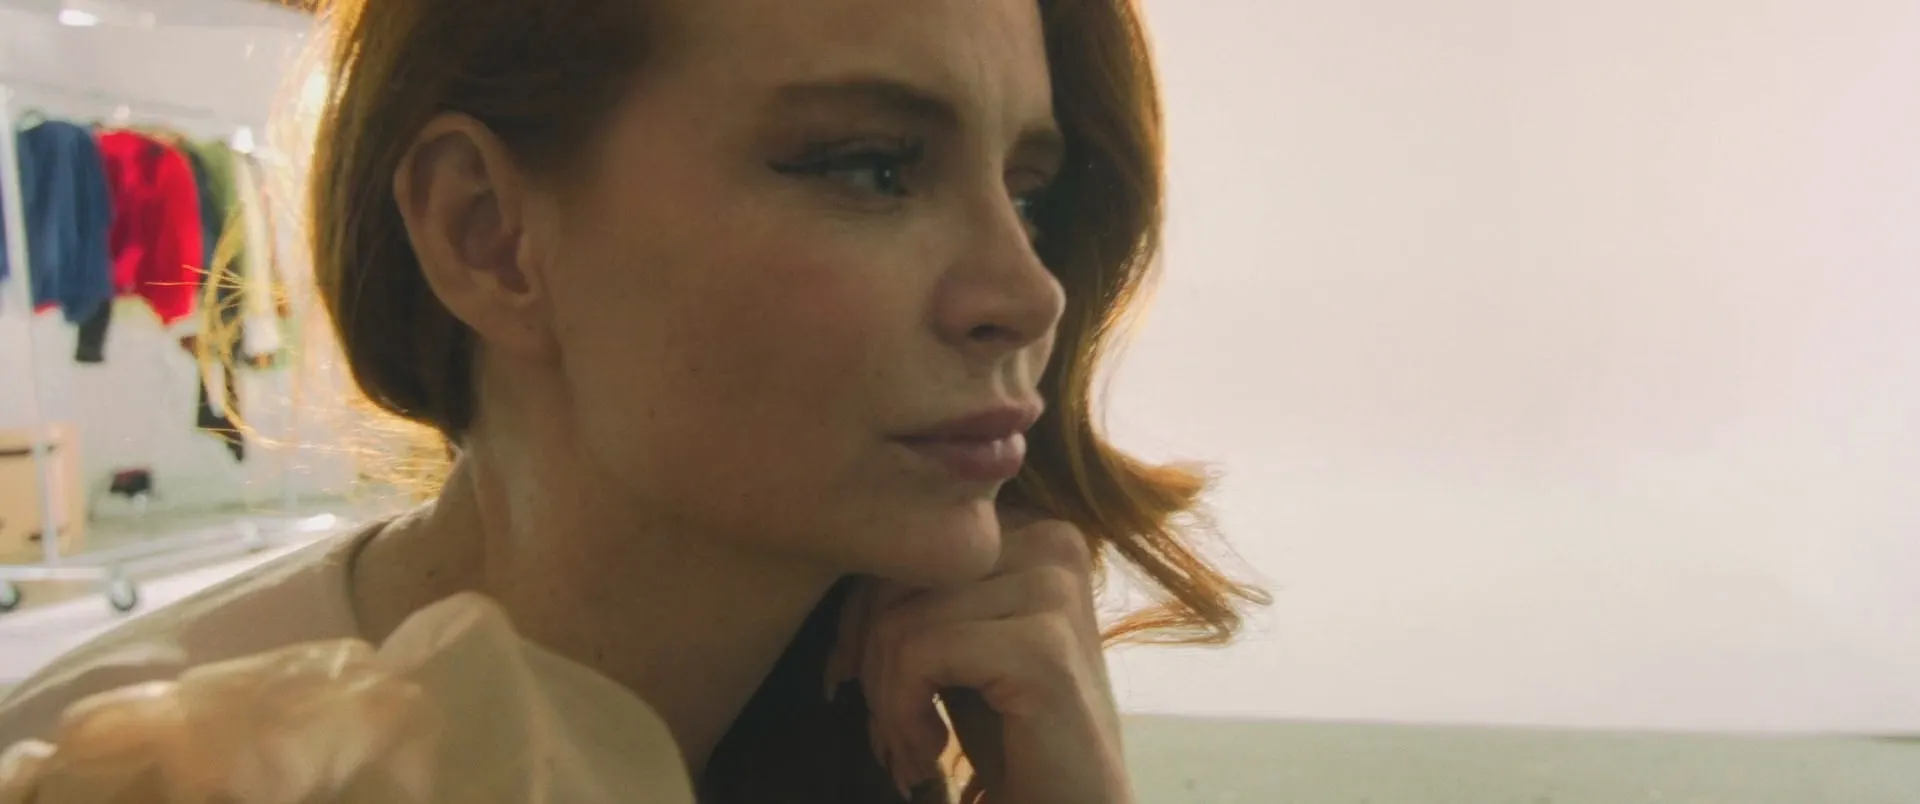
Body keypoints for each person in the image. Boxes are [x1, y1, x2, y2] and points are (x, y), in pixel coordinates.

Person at [0, 0, 1266, 800]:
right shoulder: (132, 766)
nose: (1028, 292)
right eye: (872, 167)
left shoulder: (915, 723)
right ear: (489, 235)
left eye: (1029, 191)